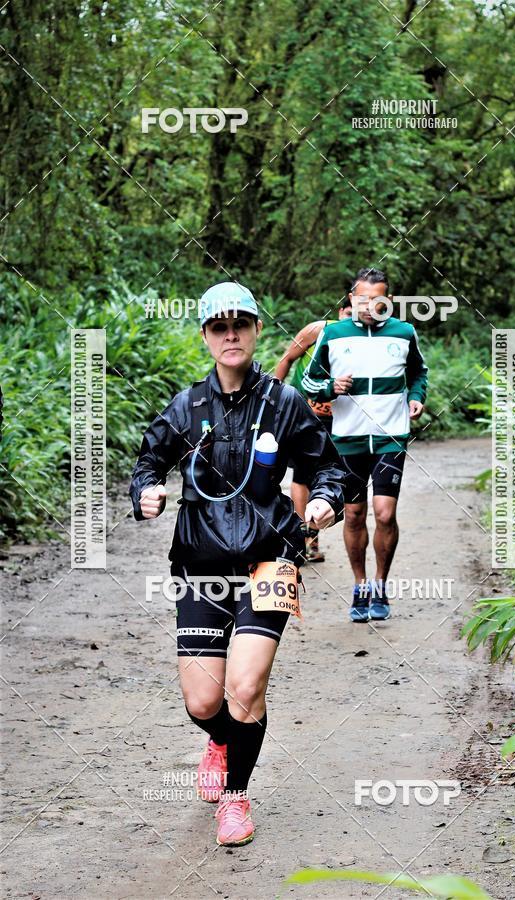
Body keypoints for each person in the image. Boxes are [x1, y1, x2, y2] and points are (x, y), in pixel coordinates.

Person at [129, 282, 345, 846]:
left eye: (240, 325)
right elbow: (148, 460)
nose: (231, 335)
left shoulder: (284, 402)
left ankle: (235, 798)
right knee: (204, 701)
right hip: (199, 565)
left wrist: (325, 500)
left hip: (270, 559)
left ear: (255, 330)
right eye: (219, 327)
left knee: (245, 687)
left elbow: (330, 467)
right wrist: (146, 491)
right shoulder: (187, 406)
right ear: (206, 336)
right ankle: (221, 739)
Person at [302, 267, 428, 623]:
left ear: (388, 300)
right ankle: (360, 585)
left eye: (377, 300)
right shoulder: (333, 334)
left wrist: (416, 396)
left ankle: (380, 584)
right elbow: (309, 381)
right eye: (362, 300)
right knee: (355, 514)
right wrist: (330, 388)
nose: (369, 306)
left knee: (385, 513)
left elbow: (419, 372)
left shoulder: (404, 332)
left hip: (391, 437)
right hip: (348, 439)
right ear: (351, 299)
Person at [274, 298, 353, 562]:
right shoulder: (318, 330)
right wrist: (272, 398)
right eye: (348, 313)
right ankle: (304, 539)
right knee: (302, 475)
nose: (351, 320)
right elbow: (287, 359)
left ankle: (311, 536)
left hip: (339, 419)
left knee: (330, 474)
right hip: (306, 413)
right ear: (340, 311)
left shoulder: (364, 341)